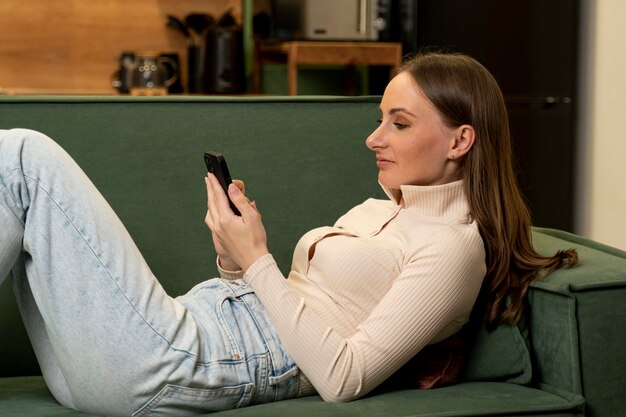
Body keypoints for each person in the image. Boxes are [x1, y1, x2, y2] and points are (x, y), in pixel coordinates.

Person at [0, 52, 577, 417]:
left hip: (179, 365)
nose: (374, 138)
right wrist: (233, 255)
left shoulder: (454, 248)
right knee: (16, 161)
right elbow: (281, 297)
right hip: (174, 337)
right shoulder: (379, 208)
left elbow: (344, 376)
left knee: (24, 156)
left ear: (460, 141)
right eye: (379, 119)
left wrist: (257, 262)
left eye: (398, 124)